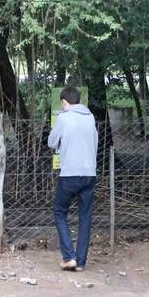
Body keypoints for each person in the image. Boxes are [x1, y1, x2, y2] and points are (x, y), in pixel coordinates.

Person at [47, 85, 98, 271]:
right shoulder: (90, 117)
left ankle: (69, 256)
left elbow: (51, 142)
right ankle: (81, 262)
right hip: (90, 174)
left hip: (70, 174)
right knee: (85, 217)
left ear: (64, 102)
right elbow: (95, 142)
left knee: (60, 212)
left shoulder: (64, 117)